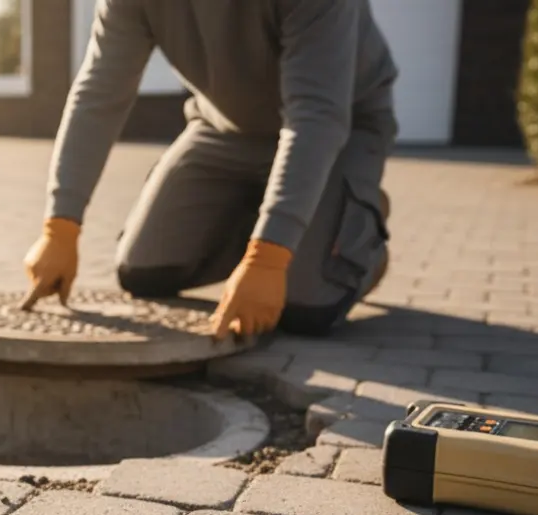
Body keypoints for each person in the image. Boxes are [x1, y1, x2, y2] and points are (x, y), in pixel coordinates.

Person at [20, 0, 399, 340]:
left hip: (340, 131)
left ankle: (358, 242)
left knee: (306, 309)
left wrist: (268, 258)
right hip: (223, 129)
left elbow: (316, 116)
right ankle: (280, 222)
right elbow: (99, 93)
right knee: (143, 272)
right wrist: (60, 226)